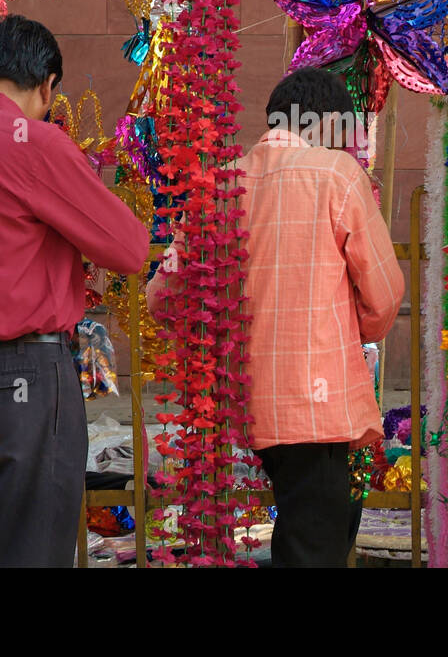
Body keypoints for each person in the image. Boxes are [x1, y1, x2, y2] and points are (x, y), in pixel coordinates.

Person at [0, 15, 150, 567]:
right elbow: (129, 248)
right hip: (20, 375)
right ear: (46, 85)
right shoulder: (32, 141)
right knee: (27, 548)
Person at [147, 68, 403, 567]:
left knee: (290, 532)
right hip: (314, 406)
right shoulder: (335, 174)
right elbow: (386, 294)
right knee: (314, 544)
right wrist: (358, 330)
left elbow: (162, 295)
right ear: (326, 125)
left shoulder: (220, 185)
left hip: (235, 402)